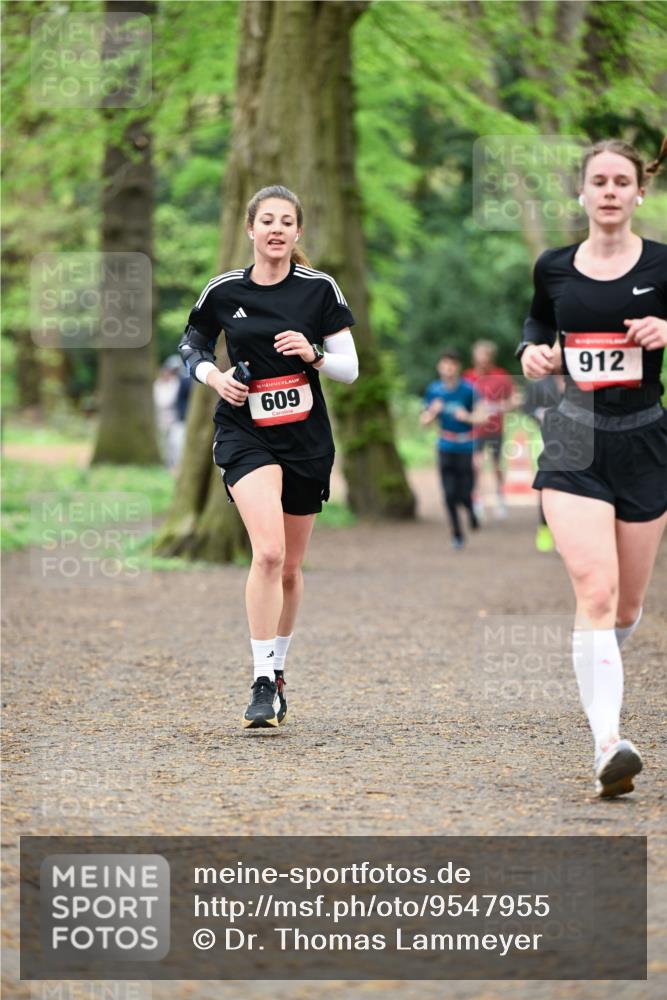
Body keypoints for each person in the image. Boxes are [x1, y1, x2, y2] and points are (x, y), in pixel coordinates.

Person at [517, 137, 667, 797]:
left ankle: (596, 659)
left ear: (639, 193)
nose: (608, 191)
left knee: (625, 604)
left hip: (644, 441)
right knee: (596, 592)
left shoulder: (663, 264)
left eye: (620, 182)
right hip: (574, 441)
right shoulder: (553, 267)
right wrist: (532, 354)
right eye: (598, 181)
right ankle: (607, 744)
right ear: (581, 193)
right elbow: (535, 326)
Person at [179, 185, 358, 729]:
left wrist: (314, 354)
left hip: (305, 440)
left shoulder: (319, 289)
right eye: (267, 221)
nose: (276, 229)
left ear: (297, 232)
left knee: (292, 567)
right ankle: (260, 681)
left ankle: (278, 671)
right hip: (244, 431)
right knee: (270, 554)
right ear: (251, 230)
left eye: (286, 221)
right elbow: (190, 346)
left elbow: (350, 368)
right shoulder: (223, 290)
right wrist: (215, 378)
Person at [421, 348, 486, 549]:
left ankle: (471, 512)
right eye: (445, 364)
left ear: (457, 367)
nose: (448, 368)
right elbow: (424, 422)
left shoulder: (468, 389)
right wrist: (433, 411)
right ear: (439, 367)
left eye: (452, 364)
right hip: (445, 446)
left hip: (465, 447)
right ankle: (457, 533)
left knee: (465, 493)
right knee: (449, 494)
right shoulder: (434, 390)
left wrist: (467, 416)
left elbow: (482, 416)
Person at [463, 340, 516, 520]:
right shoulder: (467, 377)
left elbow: (514, 400)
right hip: (474, 431)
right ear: (474, 358)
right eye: (479, 357)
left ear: (491, 358)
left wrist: (501, 406)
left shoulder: (501, 376)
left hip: (495, 429)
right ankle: (476, 501)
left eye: (486, 357)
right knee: (475, 465)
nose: (482, 361)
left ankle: (500, 498)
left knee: (496, 466)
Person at [521, 372, 565, 552]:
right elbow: (527, 407)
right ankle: (544, 526)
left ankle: (564, 533)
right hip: (544, 438)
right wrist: (538, 413)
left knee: (571, 486)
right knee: (547, 484)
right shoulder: (539, 384)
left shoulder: (579, 381)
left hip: (574, 441)